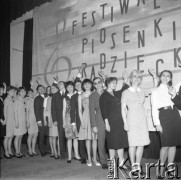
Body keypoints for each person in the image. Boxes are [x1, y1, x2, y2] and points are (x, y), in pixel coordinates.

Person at [151, 70, 181, 178]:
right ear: (160, 77)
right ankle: (161, 168)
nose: (165, 77)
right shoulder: (155, 91)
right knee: (165, 145)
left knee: (173, 144)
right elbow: (154, 109)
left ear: (170, 78)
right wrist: (157, 123)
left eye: (168, 76)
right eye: (163, 75)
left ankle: (170, 168)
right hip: (163, 117)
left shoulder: (174, 88)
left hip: (174, 115)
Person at [121, 70, 150, 173]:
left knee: (141, 144)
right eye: (134, 77)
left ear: (140, 80)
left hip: (142, 119)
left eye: (139, 77)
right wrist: (125, 122)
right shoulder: (126, 92)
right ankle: (133, 165)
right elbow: (123, 109)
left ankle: (137, 165)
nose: (136, 79)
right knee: (132, 144)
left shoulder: (142, 92)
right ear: (131, 78)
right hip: (131, 119)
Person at [99, 77, 129, 170]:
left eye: (115, 83)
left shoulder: (117, 93)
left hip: (120, 122)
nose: (114, 84)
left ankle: (121, 163)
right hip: (111, 122)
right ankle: (111, 164)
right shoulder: (103, 96)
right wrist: (106, 123)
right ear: (107, 83)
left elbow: (125, 88)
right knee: (111, 145)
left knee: (120, 143)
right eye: (112, 83)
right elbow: (103, 111)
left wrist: (126, 78)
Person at [89, 76, 108, 169]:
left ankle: (114, 159)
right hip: (99, 120)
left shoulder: (107, 92)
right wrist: (93, 125)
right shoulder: (92, 96)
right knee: (101, 142)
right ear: (94, 85)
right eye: (95, 83)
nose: (98, 84)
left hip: (111, 119)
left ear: (102, 82)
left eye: (99, 82)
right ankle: (103, 161)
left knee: (112, 140)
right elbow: (91, 112)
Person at [78, 79, 97, 167]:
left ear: (91, 85)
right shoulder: (80, 96)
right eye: (85, 84)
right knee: (88, 138)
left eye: (89, 83)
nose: (87, 85)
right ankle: (89, 158)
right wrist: (82, 122)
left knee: (94, 138)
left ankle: (95, 158)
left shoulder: (95, 93)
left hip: (95, 116)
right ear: (83, 86)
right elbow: (79, 110)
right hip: (85, 116)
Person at [63, 81, 81, 163]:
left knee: (76, 137)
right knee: (69, 138)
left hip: (77, 118)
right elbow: (63, 111)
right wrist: (63, 121)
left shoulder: (77, 95)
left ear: (73, 87)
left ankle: (76, 155)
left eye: (71, 86)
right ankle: (69, 156)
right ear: (66, 89)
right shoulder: (65, 98)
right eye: (68, 87)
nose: (69, 88)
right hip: (68, 119)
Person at [70, 79, 87, 164]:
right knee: (79, 139)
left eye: (79, 84)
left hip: (88, 118)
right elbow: (72, 111)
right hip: (78, 120)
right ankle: (83, 156)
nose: (78, 86)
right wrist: (73, 124)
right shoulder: (73, 97)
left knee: (88, 138)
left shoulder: (87, 93)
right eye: (76, 85)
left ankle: (90, 156)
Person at [51, 81, 67, 159]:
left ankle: (69, 153)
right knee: (61, 137)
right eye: (59, 84)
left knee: (69, 137)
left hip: (69, 118)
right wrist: (54, 120)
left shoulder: (68, 92)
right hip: (59, 119)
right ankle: (62, 154)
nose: (60, 85)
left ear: (64, 85)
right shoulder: (55, 95)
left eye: (61, 84)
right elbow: (52, 109)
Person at [45, 84, 60, 159]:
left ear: (58, 89)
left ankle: (58, 152)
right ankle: (55, 152)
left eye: (54, 88)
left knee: (58, 137)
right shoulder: (49, 99)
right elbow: (48, 111)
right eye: (51, 88)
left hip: (60, 119)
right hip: (53, 119)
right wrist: (49, 121)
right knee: (53, 137)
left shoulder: (60, 96)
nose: (52, 89)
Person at [34, 85, 49, 156]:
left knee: (47, 135)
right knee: (41, 135)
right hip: (41, 120)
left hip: (48, 119)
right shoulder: (37, 98)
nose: (41, 90)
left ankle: (47, 149)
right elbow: (36, 110)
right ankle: (42, 151)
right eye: (39, 89)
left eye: (42, 88)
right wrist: (38, 121)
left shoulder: (47, 97)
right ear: (37, 91)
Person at [14, 87, 27, 158]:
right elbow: (15, 112)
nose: (24, 93)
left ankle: (19, 151)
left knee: (21, 136)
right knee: (17, 136)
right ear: (18, 92)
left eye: (24, 91)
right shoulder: (17, 100)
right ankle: (16, 152)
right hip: (18, 120)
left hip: (22, 120)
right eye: (22, 91)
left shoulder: (22, 100)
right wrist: (16, 122)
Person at [3, 86, 15, 159]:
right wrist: (5, 120)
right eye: (11, 91)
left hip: (12, 120)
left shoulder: (12, 99)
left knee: (11, 137)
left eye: (13, 91)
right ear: (7, 92)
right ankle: (6, 152)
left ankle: (10, 151)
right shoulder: (7, 100)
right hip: (8, 121)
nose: (12, 92)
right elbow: (4, 110)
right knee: (7, 137)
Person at [26, 89, 39, 156]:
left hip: (36, 120)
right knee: (30, 135)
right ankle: (29, 150)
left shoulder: (35, 99)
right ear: (27, 94)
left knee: (35, 135)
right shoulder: (28, 101)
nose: (31, 94)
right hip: (30, 120)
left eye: (32, 92)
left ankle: (33, 150)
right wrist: (27, 122)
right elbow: (27, 112)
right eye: (29, 93)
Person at [0, 83, 6, 159]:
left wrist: (4, 87)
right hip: (0, 120)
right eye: (0, 90)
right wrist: (1, 120)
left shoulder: (2, 97)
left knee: (1, 137)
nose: (1, 91)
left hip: (3, 119)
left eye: (1, 90)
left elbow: (4, 94)